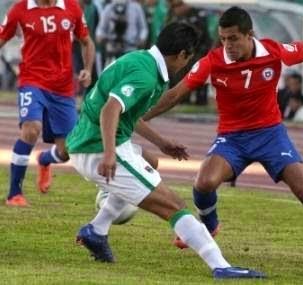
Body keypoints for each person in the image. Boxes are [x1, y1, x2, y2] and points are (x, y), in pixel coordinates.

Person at [143, 6, 303, 268]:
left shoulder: (272, 51)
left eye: (233, 38)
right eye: (223, 39)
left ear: (249, 35)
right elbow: (175, 94)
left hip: (270, 135)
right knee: (203, 183)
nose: (227, 45)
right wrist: (139, 117)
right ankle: (210, 227)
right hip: (232, 138)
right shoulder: (213, 61)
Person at [66, 22, 265, 279]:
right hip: (95, 148)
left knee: (152, 162)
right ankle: (221, 266)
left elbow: (127, 113)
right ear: (182, 55)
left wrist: (162, 143)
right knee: (175, 206)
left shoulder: (141, 60)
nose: (187, 64)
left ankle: (97, 230)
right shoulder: (146, 76)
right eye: (188, 59)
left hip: (89, 141)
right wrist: (108, 154)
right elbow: (110, 110)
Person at [1, 0, 95, 206]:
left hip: (62, 88)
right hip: (31, 81)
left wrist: (87, 69)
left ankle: (44, 159)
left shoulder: (71, 8)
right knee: (31, 129)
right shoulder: (20, 10)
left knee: (69, 150)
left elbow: (86, 41)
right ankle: (14, 194)